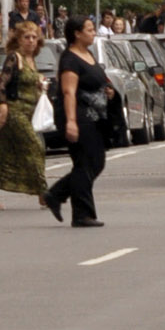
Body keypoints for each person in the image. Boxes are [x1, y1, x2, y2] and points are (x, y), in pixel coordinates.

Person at [45, 16, 114, 229]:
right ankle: (81, 213)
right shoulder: (70, 60)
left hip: (94, 117)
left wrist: (108, 92)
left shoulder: (88, 54)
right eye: (90, 29)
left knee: (93, 162)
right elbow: (68, 92)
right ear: (77, 33)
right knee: (87, 163)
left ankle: (57, 195)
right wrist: (71, 122)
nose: (93, 33)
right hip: (79, 116)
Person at [0, 21, 51, 212]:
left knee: (4, 154)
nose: (31, 41)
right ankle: (45, 195)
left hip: (29, 112)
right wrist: (2, 108)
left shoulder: (32, 61)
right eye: (27, 37)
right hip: (13, 112)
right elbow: (1, 85)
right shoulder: (14, 58)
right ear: (18, 39)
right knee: (35, 147)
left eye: (34, 37)